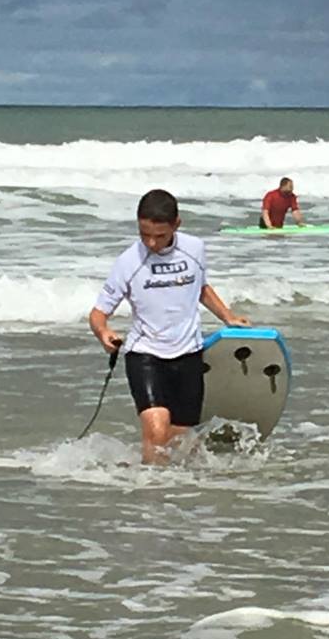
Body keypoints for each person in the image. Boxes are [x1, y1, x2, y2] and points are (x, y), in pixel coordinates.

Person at [89, 188, 251, 464]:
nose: (151, 243)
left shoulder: (194, 248)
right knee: (156, 429)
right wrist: (103, 332)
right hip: (145, 355)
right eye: (144, 234)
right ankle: (150, 486)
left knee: (179, 441)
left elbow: (201, 288)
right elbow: (98, 313)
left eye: (160, 235)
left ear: (177, 224)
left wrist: (227, 316)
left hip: (189, 355)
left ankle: (169, 488)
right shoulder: (128, 262)